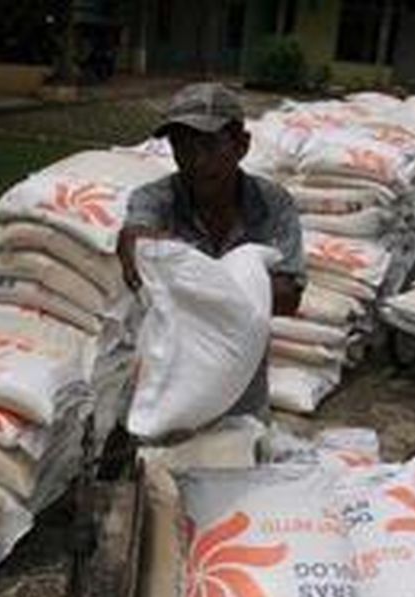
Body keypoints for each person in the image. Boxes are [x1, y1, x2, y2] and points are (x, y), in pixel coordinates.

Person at [117, 83, 305, 421]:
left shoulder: (272, 204)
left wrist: (192, 279)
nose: (195, 161)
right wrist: (141, 248)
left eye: (208, 145)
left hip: (243, 399)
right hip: (167, 395)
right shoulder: (155, 199)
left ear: (241, 146)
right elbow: (137, 244)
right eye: (182, 147)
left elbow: (289, 298)